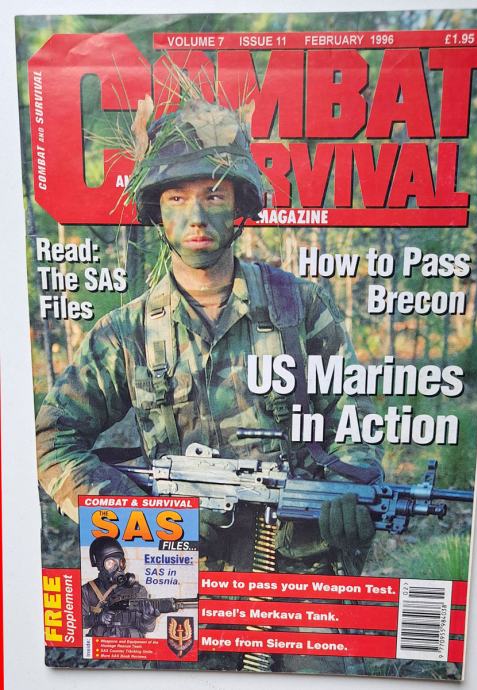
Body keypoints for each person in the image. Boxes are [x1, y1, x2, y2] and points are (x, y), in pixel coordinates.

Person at [37, 98, 383, 673]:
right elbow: (52, 438)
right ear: (157, 211)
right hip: (171, 578)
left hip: (290, 570)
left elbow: (353, 415)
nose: (196, 216)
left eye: (215, 195)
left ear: (240, 205)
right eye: (176, 198)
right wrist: (127, 513)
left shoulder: (298, 308)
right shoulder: (126, 332)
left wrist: (351, 484)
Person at [82, 536, 159, 638]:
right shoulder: (88, 590)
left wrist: (148, 619)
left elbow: (148, 628)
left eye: (121, 562)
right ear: (100, 565)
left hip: (131, 645)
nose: (118, 568)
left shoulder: (137, 590)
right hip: (101, 644)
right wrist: (97, 619)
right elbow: (76, 622)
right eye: (110, 563)